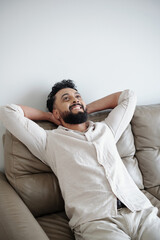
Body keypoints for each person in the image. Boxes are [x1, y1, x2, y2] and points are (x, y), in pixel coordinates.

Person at [0, 79, 160, 240]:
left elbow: (128, 96)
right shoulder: (48, 141)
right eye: (66, 98)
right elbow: (7, 111)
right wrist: (48, 116)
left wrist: (84, 108)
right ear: (56, 113)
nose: (75, 99)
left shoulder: (107, 130)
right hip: (97, 221)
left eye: (77, 96)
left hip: (140, 211)